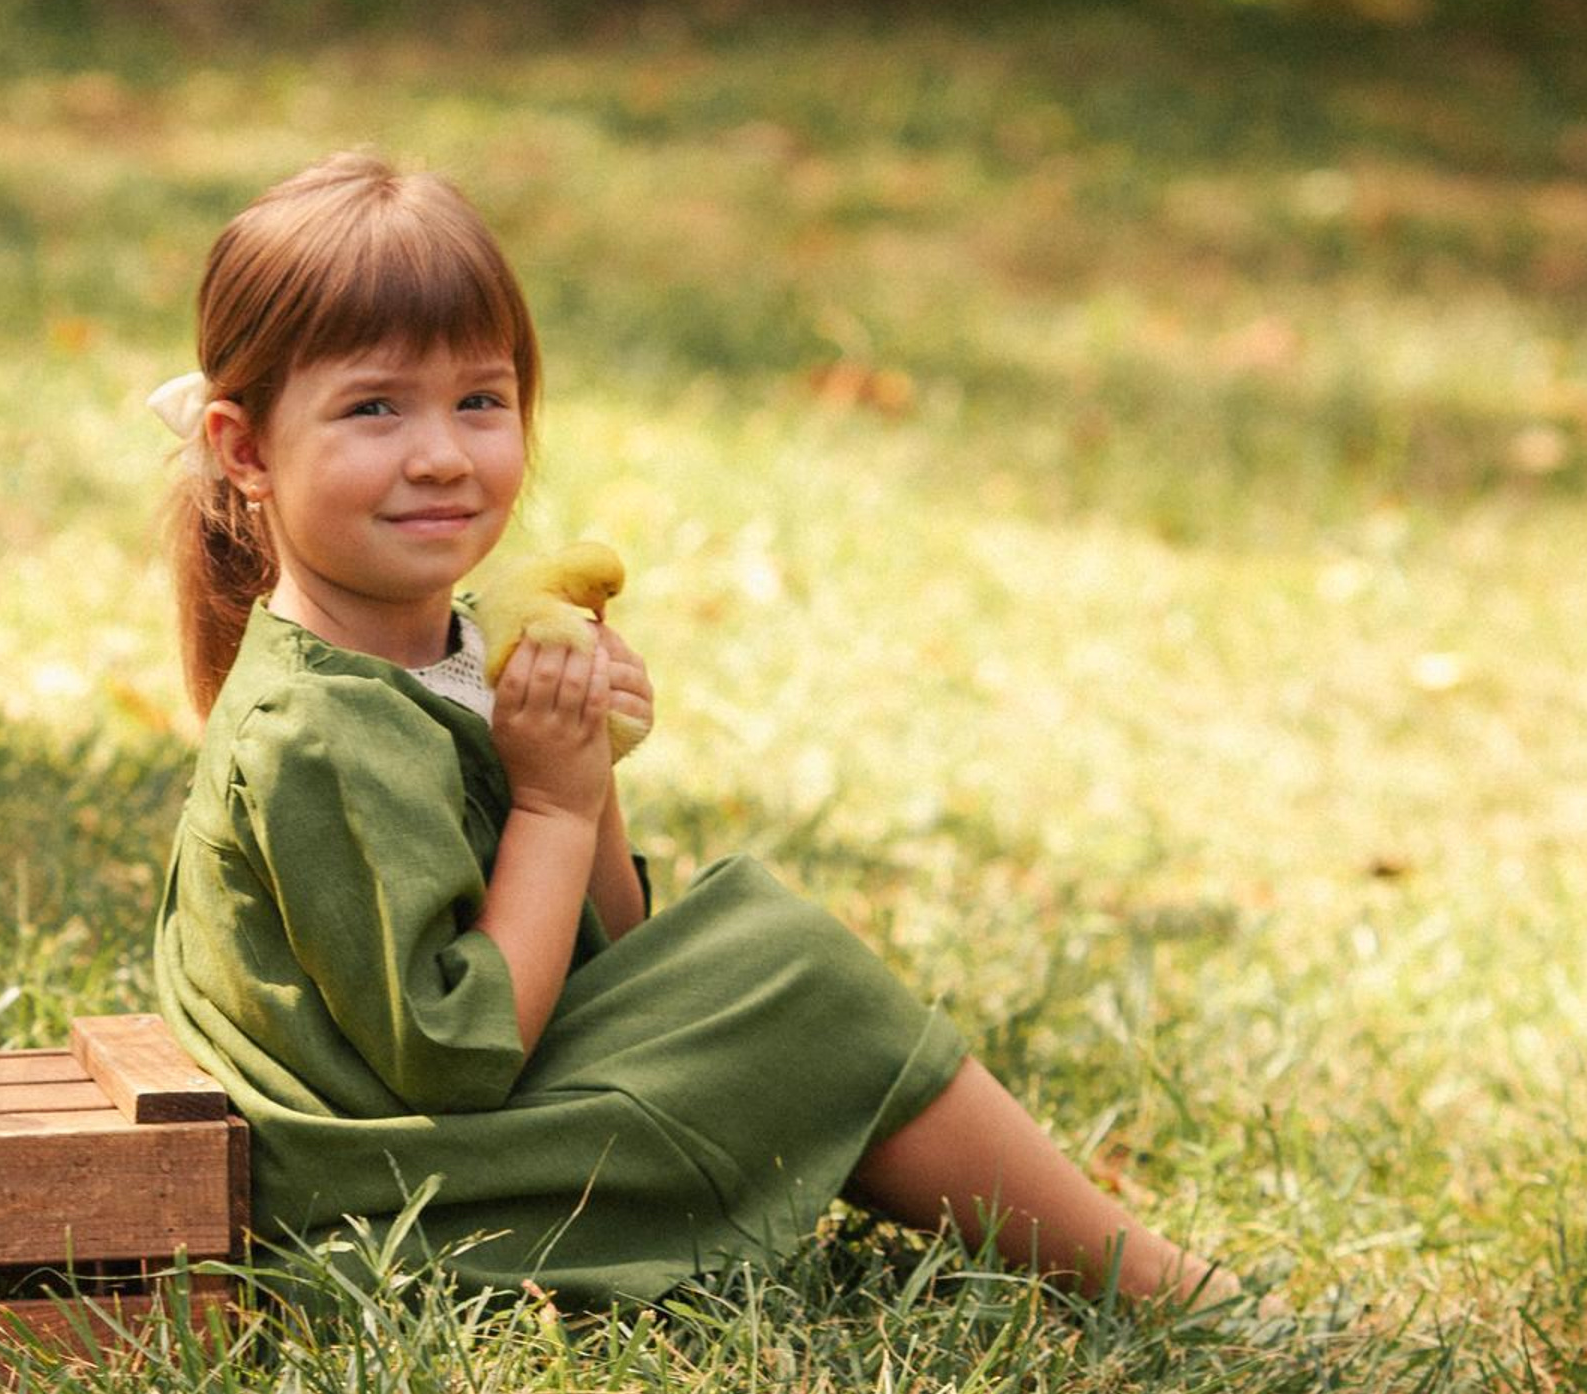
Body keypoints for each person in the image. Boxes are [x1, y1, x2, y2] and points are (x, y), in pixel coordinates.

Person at [150, 152, 1241, 1313]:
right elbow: (460, 1056)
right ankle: (1158, 1286)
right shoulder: (314, 729)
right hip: (382, 1212)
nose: (442, 453)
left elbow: (608, 953)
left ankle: (1118, 1260)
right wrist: (552, 804)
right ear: (247, 449)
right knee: (797, 979)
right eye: (374, 407)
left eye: (481, 398)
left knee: (757, 947)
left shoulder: (447, 651)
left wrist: (583, 771)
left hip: (432, 1148)